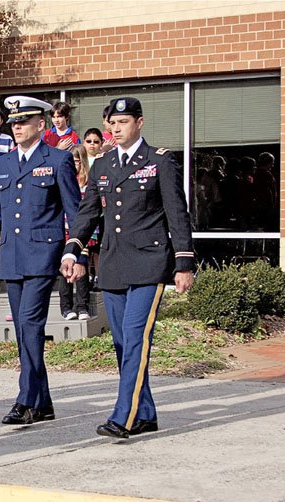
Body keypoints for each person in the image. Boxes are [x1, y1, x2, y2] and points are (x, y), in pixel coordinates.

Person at [62, 97, 195, 439]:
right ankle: (146, 411)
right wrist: (72, 250)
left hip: (149, 262)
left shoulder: (159, 161)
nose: (115, 129)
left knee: (136, 336)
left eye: (122, 122)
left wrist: (184, 263)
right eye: (112, 123)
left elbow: (176, 214)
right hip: (113, 263)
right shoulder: (103, 164)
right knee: (122, 342)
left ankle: (125, 415)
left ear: (139, 123)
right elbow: (88, 212)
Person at [0, 96, 81, 425]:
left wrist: (76, 250)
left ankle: (26, 399)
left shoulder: (58, 160)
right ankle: (43, 401)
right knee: (22, 330)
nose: (16, 127)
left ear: (41, 125)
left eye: (23, 121)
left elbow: (74, 212)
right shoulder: (2, 165)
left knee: (30, 326)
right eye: (13, 122)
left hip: (43, 256)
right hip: (12, 257)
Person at [59, 145, 91, 321]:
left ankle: (82, 306)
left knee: (81, 267)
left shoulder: (86, 184)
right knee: (65, 268)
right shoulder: (62, 180)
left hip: (80, 231)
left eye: (76, 162)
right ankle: (66, 306)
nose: (73, 166)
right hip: (63, 230)